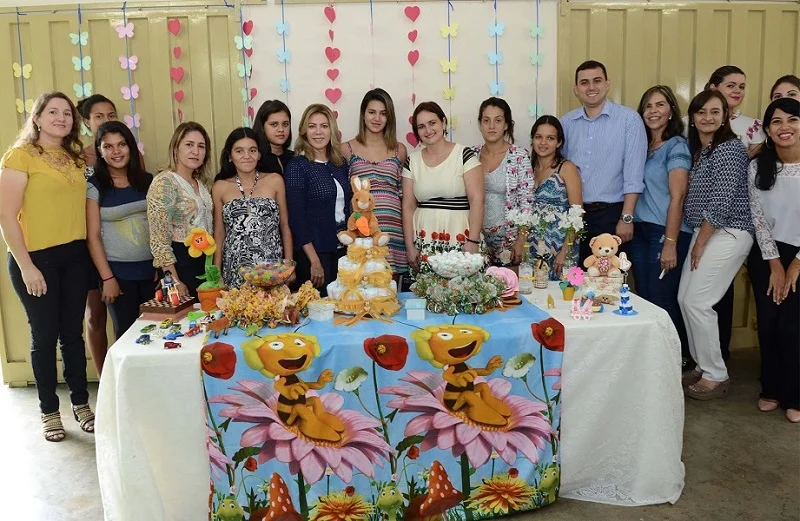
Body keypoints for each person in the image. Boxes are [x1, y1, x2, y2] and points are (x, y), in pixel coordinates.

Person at [0, 92, 93, 441]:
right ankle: (49, 411)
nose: (61, 118)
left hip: (74, 257)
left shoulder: (73, 159)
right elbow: (6, 217)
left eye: (67, 113)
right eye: (52, 112)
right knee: (44, 336)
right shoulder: (19, 156)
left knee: (72, 335)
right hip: (36, 259)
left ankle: (81, 404)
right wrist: (26, 266)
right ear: (37, 118)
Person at [678, 90, 753, 401]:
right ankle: (703, 364)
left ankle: (716, 374)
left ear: (725, 116)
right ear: (693, 118)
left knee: (699, 302)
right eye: (700, 112)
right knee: (685, 299)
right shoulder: (704, 150)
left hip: (729, 231)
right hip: (706, 231)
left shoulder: (730, 149)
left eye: (714, 112)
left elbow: (721, 202)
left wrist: (700, 244)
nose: (707, 117)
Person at [629, 86, 693, 365]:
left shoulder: (676, 145)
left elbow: (678, 196)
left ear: (671, 112)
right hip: (640, 230)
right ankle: (653, 362)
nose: (653, 111)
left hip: (664, 232)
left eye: (660, 105)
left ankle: (675, 360)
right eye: (648, 106)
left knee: (662, 299)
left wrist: (670, 242)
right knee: (644, 297)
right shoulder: (641, 147)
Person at [560, 60, 647, 264]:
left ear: (607, 84)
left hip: (612, 214)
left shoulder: (629, 120)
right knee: (576, 278)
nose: (591, 87)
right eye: (584, 82)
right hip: (575, 216)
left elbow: (634, 174)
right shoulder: (565, 123)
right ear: (576, 89)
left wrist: (626, 218)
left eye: (597, 81)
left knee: (608, 282)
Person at [747, 97, 800, 423]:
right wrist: (775, 263)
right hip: (768, 253)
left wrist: (795, 264)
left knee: (792, 327)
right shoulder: (759, 165)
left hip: (799, 255)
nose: (785, 127)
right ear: (767, 129)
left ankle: (795, 395)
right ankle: (771, 389)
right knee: (768, 324)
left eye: (792, 120)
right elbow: (758, 217)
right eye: (777, 121)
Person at [86, 121, 154, 339]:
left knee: (155, 334)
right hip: (118, 276)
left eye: (121, 144)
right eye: (108, 146)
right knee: (126, 336)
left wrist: (160, 267)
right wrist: (107, 279)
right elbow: (93, 237)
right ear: (99, 151)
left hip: (151, 274)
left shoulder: (147, 181)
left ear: (130, 147)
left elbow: (160, 227)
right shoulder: (95, 186)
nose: (116, 151)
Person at [402, 101, 484, 271]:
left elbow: (477, 200)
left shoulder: (464, 155)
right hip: (424, 240)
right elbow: (408, 206)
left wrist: (473, 241)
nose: (428, 130)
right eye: (421, 126)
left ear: (443, 122)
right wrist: (410, 246)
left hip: (461, 237)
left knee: (461, 292)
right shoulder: (412, 161)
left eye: (432, 123)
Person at [212, 127, 292, 289]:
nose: (246, 156)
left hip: (271, 270)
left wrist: (288, 267)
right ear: (229, 156)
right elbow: (219, 233)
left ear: (259, 154)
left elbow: (285, 226)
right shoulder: (220, 187)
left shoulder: (275, 180)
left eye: (252, 150)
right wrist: (216, 273)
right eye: (239, 151)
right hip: (235, 270)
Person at [341, 89, 408, 278]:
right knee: (362, 291)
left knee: (389, 293)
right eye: (372, 112)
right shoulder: (346, 149)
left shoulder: (399, 150)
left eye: (383, 113)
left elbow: (404, 195)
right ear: (363, 115)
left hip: (393, 233)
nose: (377, 118)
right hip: (361, 234)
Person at [285, 104, 350, 295]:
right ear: (304, 131)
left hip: (343, 251)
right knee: (319, 313)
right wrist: (314, 260)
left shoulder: (340, 164)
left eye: (324, 126)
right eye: (312, 126)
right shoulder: (298, 166)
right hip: (315, 253)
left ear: (332, 130)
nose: (318, 132)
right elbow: (297, 219)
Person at [147, 122, 213, 298]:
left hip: (203, 261)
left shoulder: (202, 183)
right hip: (178, 263)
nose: (195, 151)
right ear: (176, 148)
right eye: (189, 145)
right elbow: (159, 240)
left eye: (201, 146)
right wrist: (173, 281)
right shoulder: (165, 182)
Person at [76, 94, 117, 376]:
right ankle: (103, 379)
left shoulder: (127, 152)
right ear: (87, 122)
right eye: (99, 116)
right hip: (89, 243)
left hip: (122, 243)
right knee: (96, 314)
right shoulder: (79, 157)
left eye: (111, 115)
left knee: (128, 313)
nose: (105, 120)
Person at [472, 97, 535, 267]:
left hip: (509, 239)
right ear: (480, 124)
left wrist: (521, 241)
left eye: (498, 120)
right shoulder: (471, 155)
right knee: (480, 290)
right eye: (486, 121)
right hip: (478, 239)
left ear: (506, 124)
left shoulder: (518, 156)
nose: (491, 126)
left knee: (509, 289)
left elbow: (527, 203)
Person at [529, 116, 582, 278]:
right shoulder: (527, 167)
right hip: (531, 246)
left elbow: (577, 215)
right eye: (539, 137)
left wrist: (565, 251)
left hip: (560, 247)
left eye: (550, 138)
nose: (543, 143)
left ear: (559, 142)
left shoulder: (566, 168)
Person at [253, 100, 294, 175]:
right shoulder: (254, 160)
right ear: (262, 127)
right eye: (274, 124)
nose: (281, 129)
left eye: (285, 124)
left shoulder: (295, 159)